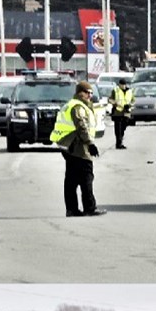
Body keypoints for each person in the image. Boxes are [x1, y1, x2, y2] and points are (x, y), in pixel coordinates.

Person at [50, 81, 106, 217]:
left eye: (91, 93)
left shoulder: (72, 105)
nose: (89, 96)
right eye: (87, 93)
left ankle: (72, 209)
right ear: (80, 92)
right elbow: (82, 126)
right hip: (78, 146)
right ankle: (89, 208)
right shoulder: (77, 107)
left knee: (71, 179)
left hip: (68, 146)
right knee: (86, 176)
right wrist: (90, 143)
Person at [109, 78, 134, 149]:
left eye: (124, 84)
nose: (123, 86)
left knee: (123, 127)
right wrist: (115, 103)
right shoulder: (115, 91)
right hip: (117, 112)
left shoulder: (130, 91)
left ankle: (120, 140)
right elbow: (110, 99)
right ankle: (119, 143)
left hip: (126, 112)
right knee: (118, 129)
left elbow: (133, 100)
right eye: (121, 84)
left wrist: (130, 105)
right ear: (119, 84)